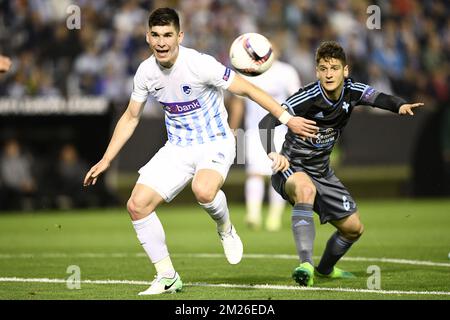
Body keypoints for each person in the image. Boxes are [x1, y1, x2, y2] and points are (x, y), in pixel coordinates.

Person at [83, 7, 318, 295]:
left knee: (204, 190)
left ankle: (225, 228)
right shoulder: (145, 72)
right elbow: (131, 116)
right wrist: (107, 158)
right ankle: (167, 276)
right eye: (155, 35)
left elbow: (248, 89)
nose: (161, 42)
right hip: (177, 148)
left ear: (180, 36)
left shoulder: (200, 64)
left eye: (168, 35)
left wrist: (286, 118)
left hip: (216, 142)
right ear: (147, 37)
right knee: (137, 205)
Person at [259, 41, 423, 286]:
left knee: (353, 228)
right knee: (305, 189)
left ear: (345, 71)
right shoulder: (308, 96)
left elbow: (378, 98)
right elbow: (266, 122)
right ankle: (305, 265)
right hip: (292, 168)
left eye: (334, 68)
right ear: (317, 71)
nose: (328, 74)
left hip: (322, 173)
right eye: (323, 68)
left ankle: (324, 270)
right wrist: (273, 153)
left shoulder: (353, 90)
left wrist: (399, 105)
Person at [229, 53, 301, 231]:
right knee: (254, 173)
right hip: (253, 131)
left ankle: (274, 218)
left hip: (281, 131)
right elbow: (238, 104)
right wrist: (232, 130)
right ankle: (253, 215)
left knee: (279, 173)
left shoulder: (286, 71)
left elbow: (298, 100)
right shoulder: (247, 71)